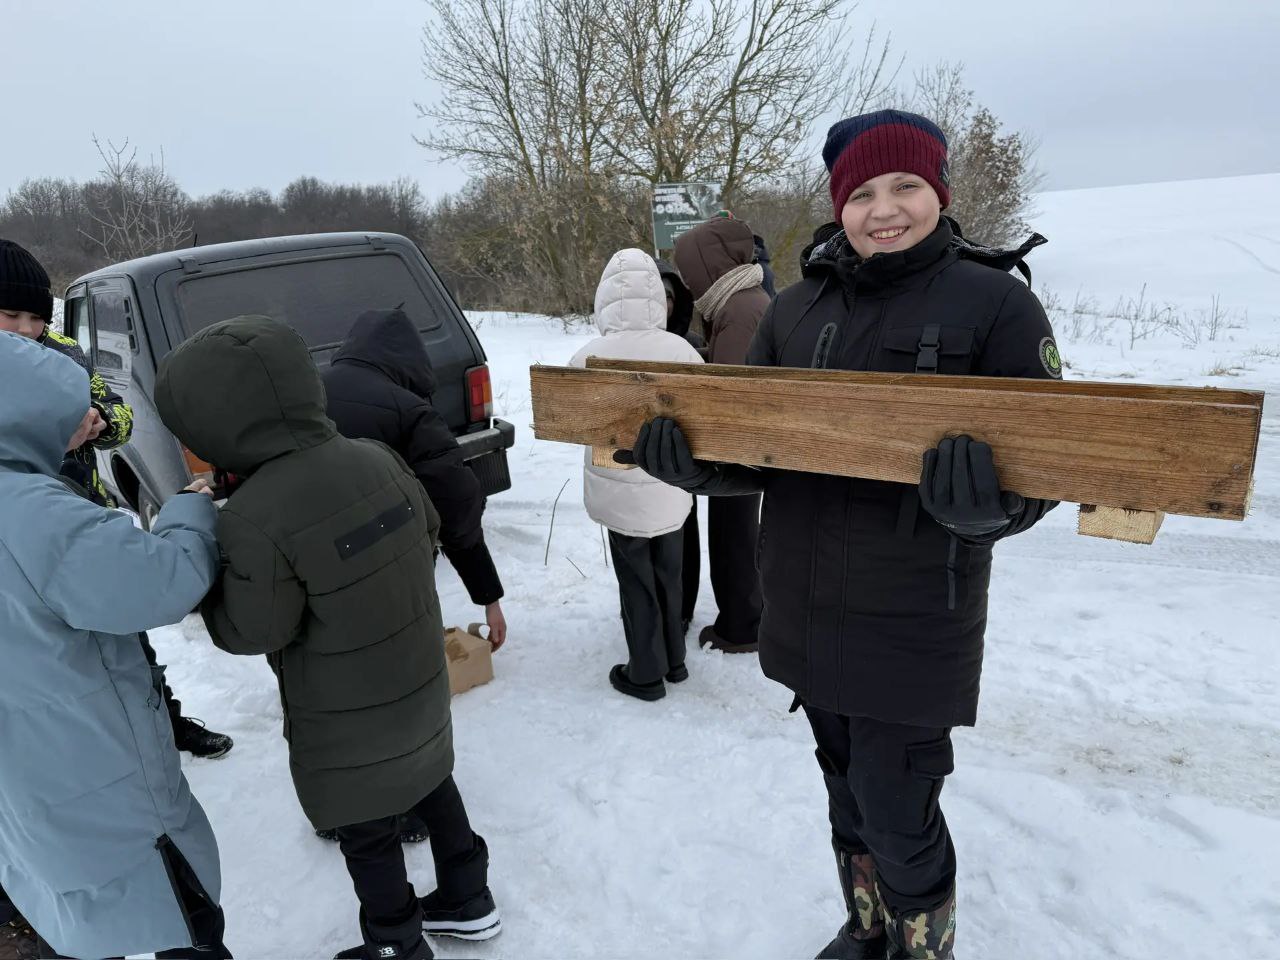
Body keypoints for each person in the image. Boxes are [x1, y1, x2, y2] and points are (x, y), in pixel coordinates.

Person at [626, 109, 1061, 958]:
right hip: (805, 604)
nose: (884, 208)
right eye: (861, 192)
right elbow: (758, 454)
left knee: (898, 809)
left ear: (938, 190)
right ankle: (867, 929)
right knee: (844, 792)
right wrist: (693, 467)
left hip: (912, 618)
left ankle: (921, 945)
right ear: (838, 203)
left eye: (905, 186)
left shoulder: (997, 302)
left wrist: (993, 510)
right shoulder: (795, 309)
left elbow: (1049, 464)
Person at [154, 316, 499, 960]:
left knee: (367, 830)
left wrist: (208, 584)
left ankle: (395, 940)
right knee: (430, 780)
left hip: (344, 715)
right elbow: (427, 532)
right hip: (416, 678)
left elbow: (253, 630)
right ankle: (469, 895)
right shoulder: (376, 456)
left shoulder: (256, 515)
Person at [0, 331, 229, 959]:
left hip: (23, 781)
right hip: (96, 773)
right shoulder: (32, 512)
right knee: (179, 915)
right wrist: (187, 512)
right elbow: (160, 583)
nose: (77, 427)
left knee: (69, 896)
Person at [0, 238, 234, 762]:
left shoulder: (61, 355)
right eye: (9, 315)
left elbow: (118, 409)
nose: (24, 330)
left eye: (34, 317)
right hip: (20, 543)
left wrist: (101, 424)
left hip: (82, 518)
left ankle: (166, 722)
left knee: (128, 637)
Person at [319, 307, 508, 846]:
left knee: (330, 692)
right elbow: (458, 506)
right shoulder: (409, 411)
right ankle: (398, 809)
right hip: (386, 576)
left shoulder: (306, 396)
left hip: (310, 575)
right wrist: (488, 597)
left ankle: (338, 808)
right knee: (392, 693)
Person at [571, 249, 705, 700]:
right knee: (670, 572)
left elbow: (569, 419)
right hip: (670, 485)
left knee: (635, 578)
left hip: (617, 487)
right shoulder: (681, 350)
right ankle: (675, 660)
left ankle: (645, 673)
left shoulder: (588, 355)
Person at [672, 217, 767, 654]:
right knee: (735, 532)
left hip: (744, 444)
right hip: (748, 439)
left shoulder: (740, 308)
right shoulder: (735, 301)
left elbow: (731, 387)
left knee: (735, 536)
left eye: (689, 268)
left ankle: (742, 626)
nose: (688, 280)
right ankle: (742, 616)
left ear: (708, 264)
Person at [654, 258, 704, 636]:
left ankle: (682, 610)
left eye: (668, 296)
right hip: (636, 460)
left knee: (684, 539)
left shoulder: (689, 346)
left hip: (683, 458)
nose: (662, 304)